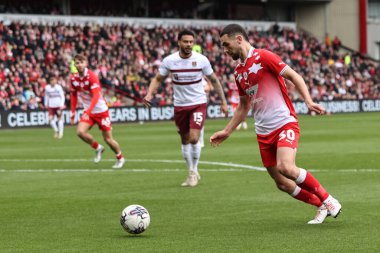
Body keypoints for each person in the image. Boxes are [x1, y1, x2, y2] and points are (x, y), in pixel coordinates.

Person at [210, 24, 342, 224]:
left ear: (239, 39)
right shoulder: (239, 72)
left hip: (284, 123)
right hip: (263, 131)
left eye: (226, 45)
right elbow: (244, 105)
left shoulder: (264, 57)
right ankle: (320, 205)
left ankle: (328, 199)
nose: (225, 50)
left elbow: (294, 76)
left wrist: (308, 100)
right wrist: (227, 131)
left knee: (286, 167)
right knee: (281, 183)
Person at [144, 30, 228, 187]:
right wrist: (149, 94)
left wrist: (223, 102)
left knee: (194, 138)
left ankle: (193, 171)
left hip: (198, 103)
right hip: (180, 105)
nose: (189, 44)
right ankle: (191, 170)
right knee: (184, 140)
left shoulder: (201, 60)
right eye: (185, 42)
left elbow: (214, 81)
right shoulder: (170, 61)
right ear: (179, 42)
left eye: (191, 42)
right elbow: (158, 78)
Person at [70, 54, 125, 169]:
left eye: (81, 62)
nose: (79, 65)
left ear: (86, 63)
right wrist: (73, 112)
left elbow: (95, 96)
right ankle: (98, 148)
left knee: (108, 139)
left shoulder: (92, 76)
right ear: (74, 64)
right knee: (80, 132)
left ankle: (120, 158)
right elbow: (74, 95)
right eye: (77, 62)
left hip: (101, 111)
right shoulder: (73, 79)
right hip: (89, 112)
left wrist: (89, 110)